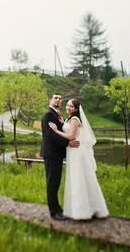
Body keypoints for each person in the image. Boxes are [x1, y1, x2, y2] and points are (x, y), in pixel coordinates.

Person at [49, 98, 109, 220]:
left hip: (77, 151)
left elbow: (71, 136)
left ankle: (84, 210)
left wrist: (56, 131)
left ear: (76, 109)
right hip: (72, 152)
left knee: (79, 178)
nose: (68, 108)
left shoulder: (75, 120)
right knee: (75, 178)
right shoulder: (69, 119)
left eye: (71, 106)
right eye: (67, 105)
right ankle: (75, 209)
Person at [40, 93, 80, 221]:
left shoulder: (57, 114)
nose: (58, 100)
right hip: (51, 154)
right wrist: (67, 143)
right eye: (55, 98)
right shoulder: (48, 115)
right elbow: (51, 135)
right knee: (52, 182)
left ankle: (57, 208)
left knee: (56, 182)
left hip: (56, 154)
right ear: (50, 100)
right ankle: (54, 212)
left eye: (60, 98)